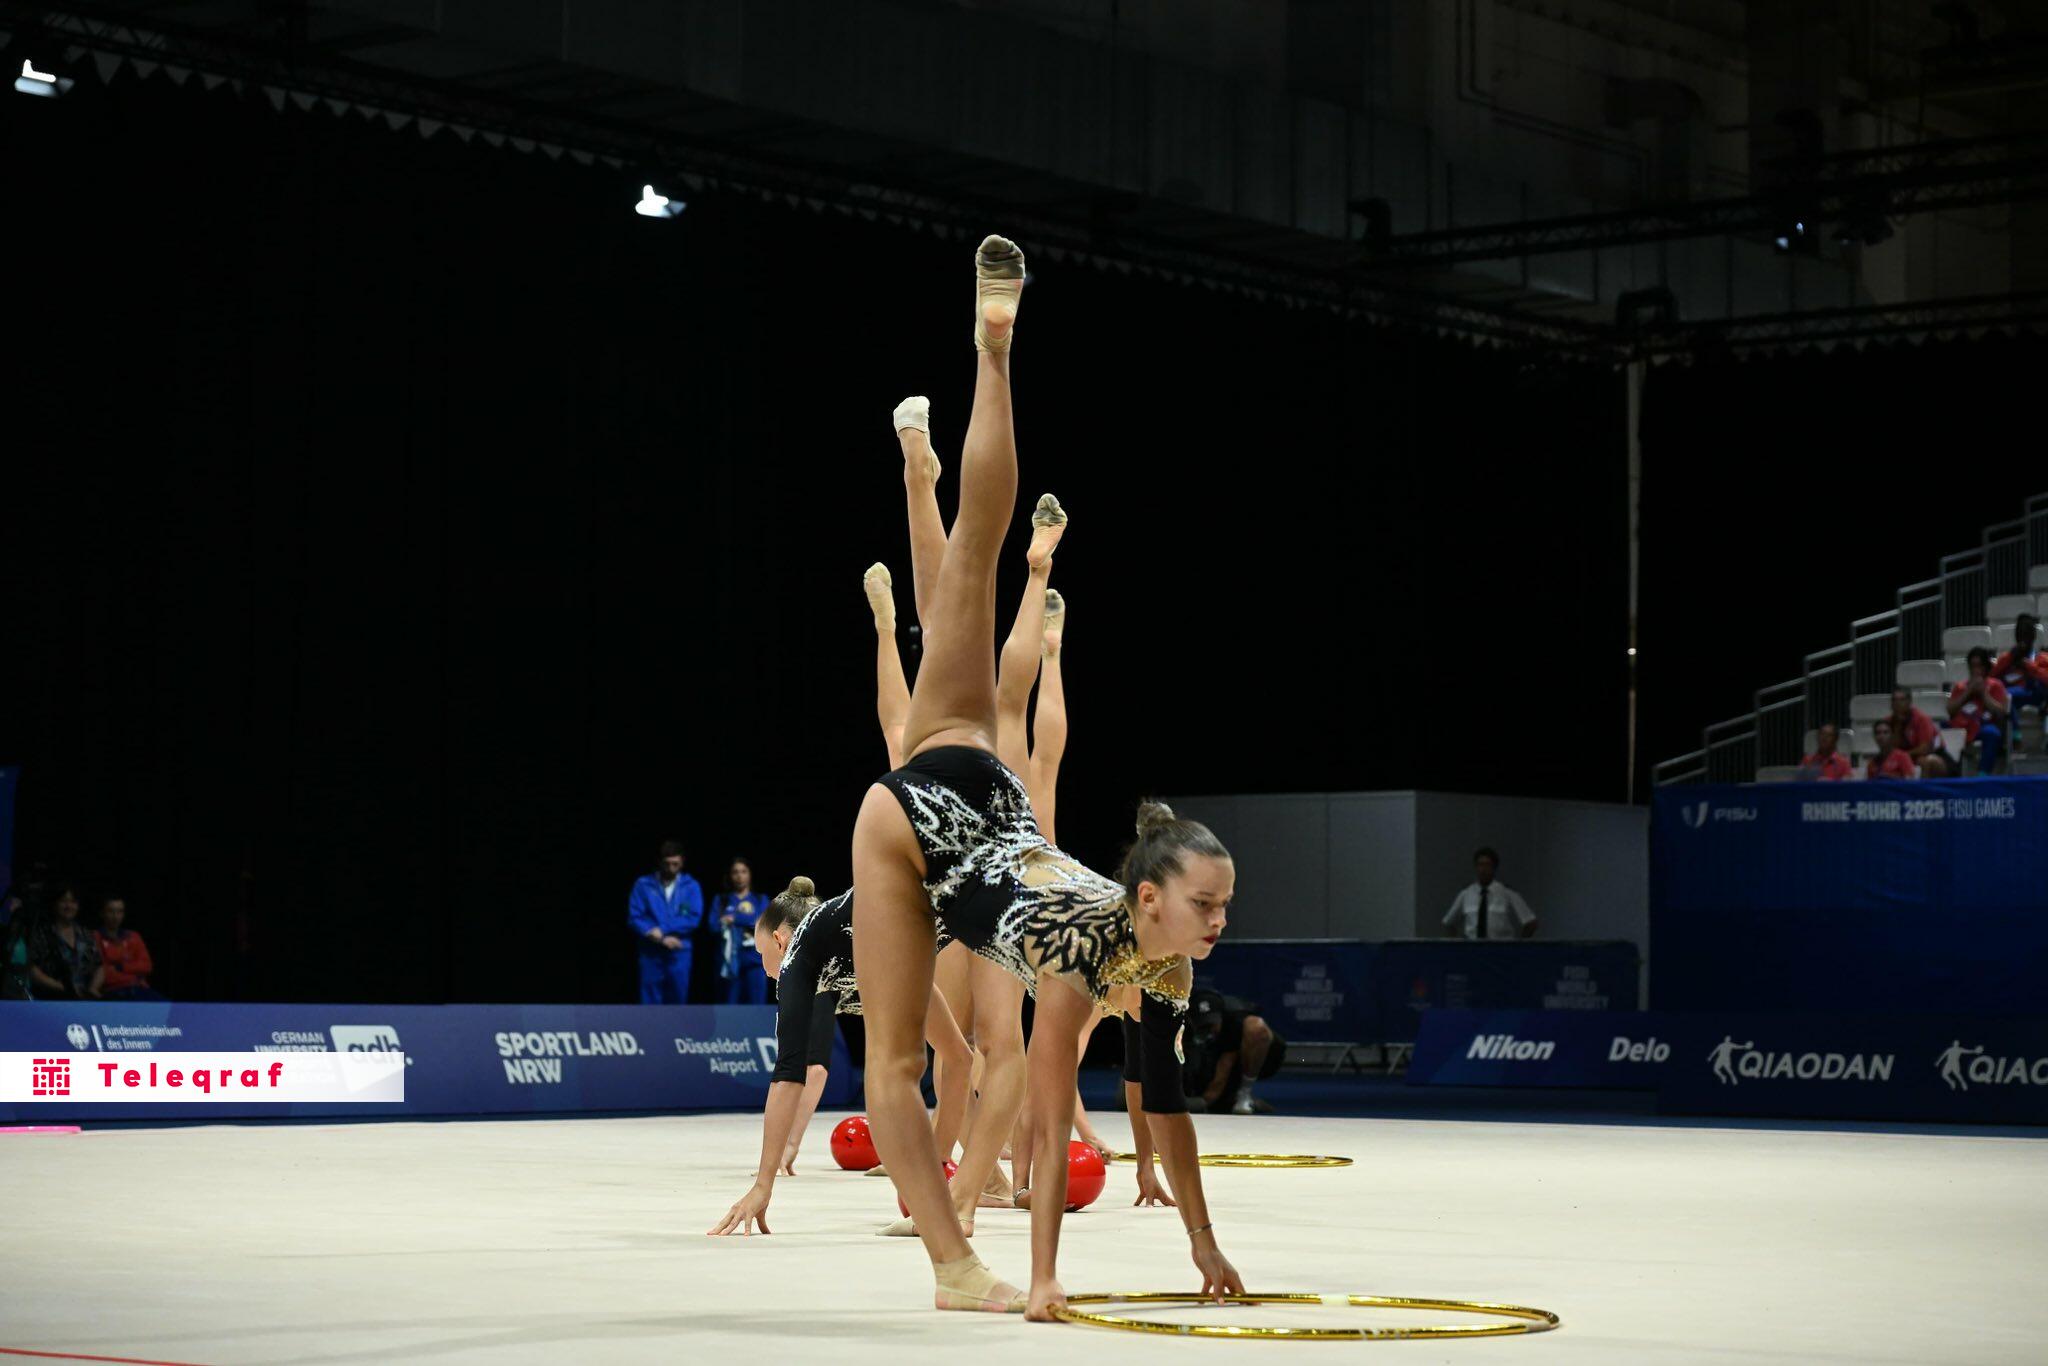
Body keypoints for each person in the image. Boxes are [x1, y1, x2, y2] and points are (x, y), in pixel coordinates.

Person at [846, 236, 1238, 1318]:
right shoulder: (1088, 957)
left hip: (936, 809)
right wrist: (1050, 1274)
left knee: (895, 1062)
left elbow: (1166, 1110)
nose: (1218, 924)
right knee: (975, 565)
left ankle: (950, 1266)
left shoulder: (1160, 967)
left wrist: (1203, 1243)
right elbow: (1048, 1111)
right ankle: (993, 351)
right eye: (1206, 906)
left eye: (1222, 907)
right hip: (951, 793)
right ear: (1147, 899)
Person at [708, 877, 975, 1235]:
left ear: (779, 940)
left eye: (760, 953)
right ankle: (944, 1187)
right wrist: (936, 1171)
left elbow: (788, 1074)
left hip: (936, 897)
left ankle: (952, 1188)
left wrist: (762, 1185)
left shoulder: (798, 956)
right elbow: (959, 1060)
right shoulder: (849, 958)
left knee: (905, 1070)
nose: (763, 966)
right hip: (937, 921)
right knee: (955, 1057)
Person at [1181, 988, 1286, 1115]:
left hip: (1250, 1061)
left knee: (1255, 1027)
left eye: (1211, 1025)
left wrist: (1203, 1102)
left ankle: (1244, 1094)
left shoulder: (1234, 1019)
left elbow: (1224, 1068)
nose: (1208, 1031)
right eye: (1203, 1026)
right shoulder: (1179, 1021)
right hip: (1203, 1063)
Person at [626, 840, 703, 1003]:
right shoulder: (643, 885)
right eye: (667, 864)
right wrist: (659, 938)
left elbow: (693, 918)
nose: (671, 868)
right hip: (651, 951)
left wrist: (662, 930)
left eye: (675, 864)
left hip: (679, 949)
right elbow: (635, 916)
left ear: (682, 862)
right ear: (660, 862)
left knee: (678, 999)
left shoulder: (691, 886)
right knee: (650, 1000)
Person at [1442, 847, 1538, 940]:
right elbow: (1448, 922)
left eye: (1487, 865)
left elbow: (1530, 922)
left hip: (1500, 947)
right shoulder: (1466, 894)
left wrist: (1518, 947)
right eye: (1480, 865)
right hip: (1472, 948)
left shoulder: (1507, 892)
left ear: (1494, 868)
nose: (1483, 869)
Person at [709, 859, 770, 1005]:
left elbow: (765, 925)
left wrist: (735, 919)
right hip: (730, 964)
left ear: (750, 874)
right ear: (730, 876)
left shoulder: (760, 899)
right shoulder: (722, 900)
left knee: (757, 1008)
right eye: (735, 872)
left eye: (743, 872)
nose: (739, 876)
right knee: (730, 1008)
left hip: (755, 962)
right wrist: (727, 922)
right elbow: (712, 925)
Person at [27, 884, 102, 1000]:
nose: (69, 906)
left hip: (82, 999)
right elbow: (32, 970)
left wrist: (93, 988)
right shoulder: (42, 934)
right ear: (55, 904)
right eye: (64, 901)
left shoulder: (85, 934)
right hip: (51, 998)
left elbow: (98, 965)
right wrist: (63, 988)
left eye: (73, 902)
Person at [1948, 647, 2012, 776]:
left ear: (1986, 667)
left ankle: (1982, 775)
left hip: (1984, 725)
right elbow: (1950, 710)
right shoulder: (1960, 687)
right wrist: (1968, 692)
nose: (1976, 670)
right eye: (1972, 666)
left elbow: (2002, 712)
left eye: (1979, 666)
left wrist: (1983, 694)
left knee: (1992, 733)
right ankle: (1950, 776)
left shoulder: (1995, 685)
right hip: (1963, 726)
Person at [1992, 614, 2047, 750]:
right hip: (2015, 696)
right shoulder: (2007, 658)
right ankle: (2015, 737)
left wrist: (2029, 666)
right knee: (2005, 697)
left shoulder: (2041, 658)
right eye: (2020, 636)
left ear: (2033, 637)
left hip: (2037, 694)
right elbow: (1991, 679)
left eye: (2026, 636)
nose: (2023, 640)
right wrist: (2010, 659)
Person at [94, 897, 163, 1000]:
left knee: (170, 1007)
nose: (115, 916)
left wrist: (120, 967)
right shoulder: (95, 937)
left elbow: (147, 966)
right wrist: (133, 970)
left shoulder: (134, 936)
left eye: (120, 911)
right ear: (102, 913)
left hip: (140, 989)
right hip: (113, 991)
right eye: (111, 911)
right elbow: (104, 972)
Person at [1886, 688, 1951, 778]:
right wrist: (1898, 726)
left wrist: (1902, 756)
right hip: (1908, 756)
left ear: (1909, 702)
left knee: (1926, 762)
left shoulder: (1921, 719)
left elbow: (1925, 749)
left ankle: (1923, 787)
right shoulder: (1888, 722)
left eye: (1902, 699)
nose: (1897, 703)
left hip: (1934, 754)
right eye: (1894, 700)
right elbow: (1890, 748)